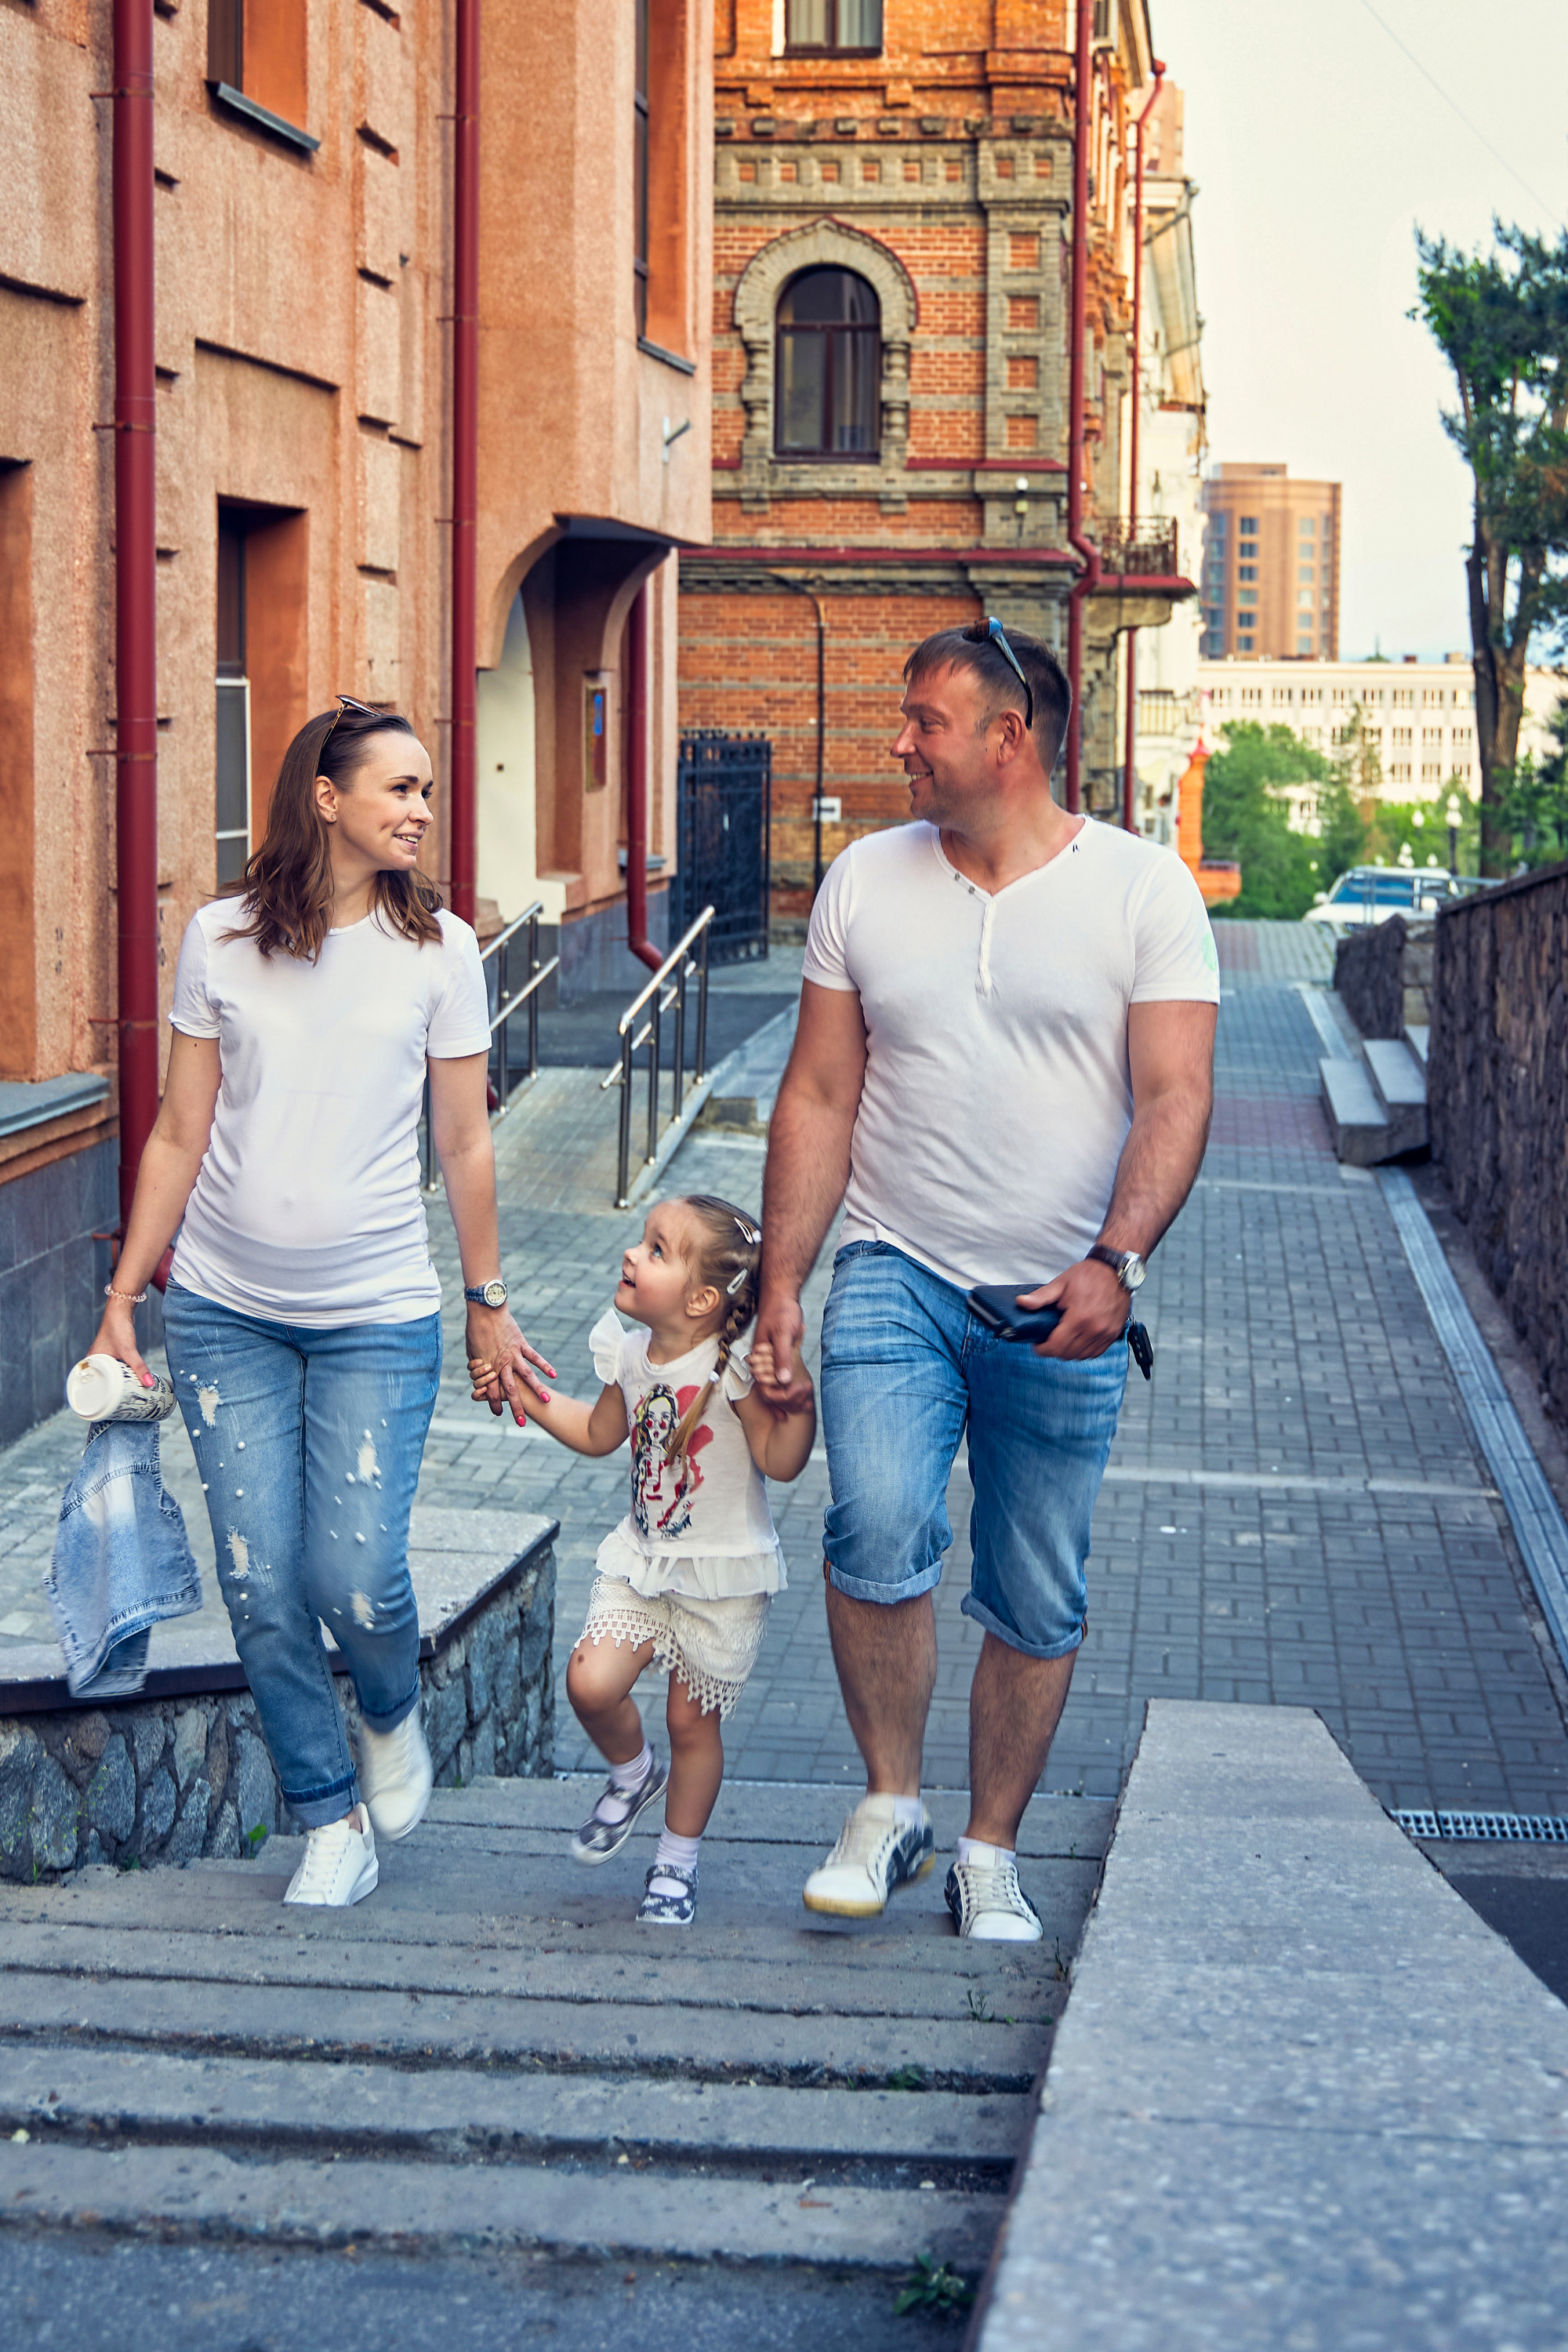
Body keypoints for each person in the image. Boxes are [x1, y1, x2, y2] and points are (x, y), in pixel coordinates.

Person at [751, 619, 1218, 1940]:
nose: (900, 742)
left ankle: (989, 1849)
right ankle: (890, 1799)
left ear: (1010, 739)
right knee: (876, 1524)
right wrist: (782, 1281)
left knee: (1035, 1582)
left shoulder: (1144, 892)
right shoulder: (865, 881)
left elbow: (1176, 1097)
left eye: (926, 722)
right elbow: (821, 1091)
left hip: (1061, 1302)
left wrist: (1117, 1263)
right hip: (896, 1265)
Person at [85, 697, 553, 1907]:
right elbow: (182, 1128)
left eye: (428, 791)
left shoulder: (442, 950)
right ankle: (326, 1815)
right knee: (260, 1579)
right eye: (399, 788)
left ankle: (391, 1708)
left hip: (375, 1314)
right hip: (223, 1310)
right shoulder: (220, 939)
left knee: (354, 1577)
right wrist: (124, 1295)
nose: (421, 810)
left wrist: (486, 1301)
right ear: (325, 798)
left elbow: (464, 1144)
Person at [481, 1194, 815, 1924]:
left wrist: (801, 1407)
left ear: (700, 1298)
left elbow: (780, 1462)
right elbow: (599, 1431)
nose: (633, 1253)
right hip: (644, 1563)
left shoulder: (730, 1373)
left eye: (657, 1249)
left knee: (692, 1721)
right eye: (642, 1241)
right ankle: (634, 1773)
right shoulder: (631, 1356)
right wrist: (524, 1391)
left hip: (720, 1579)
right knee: (590, 1683)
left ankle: (675, 1865)